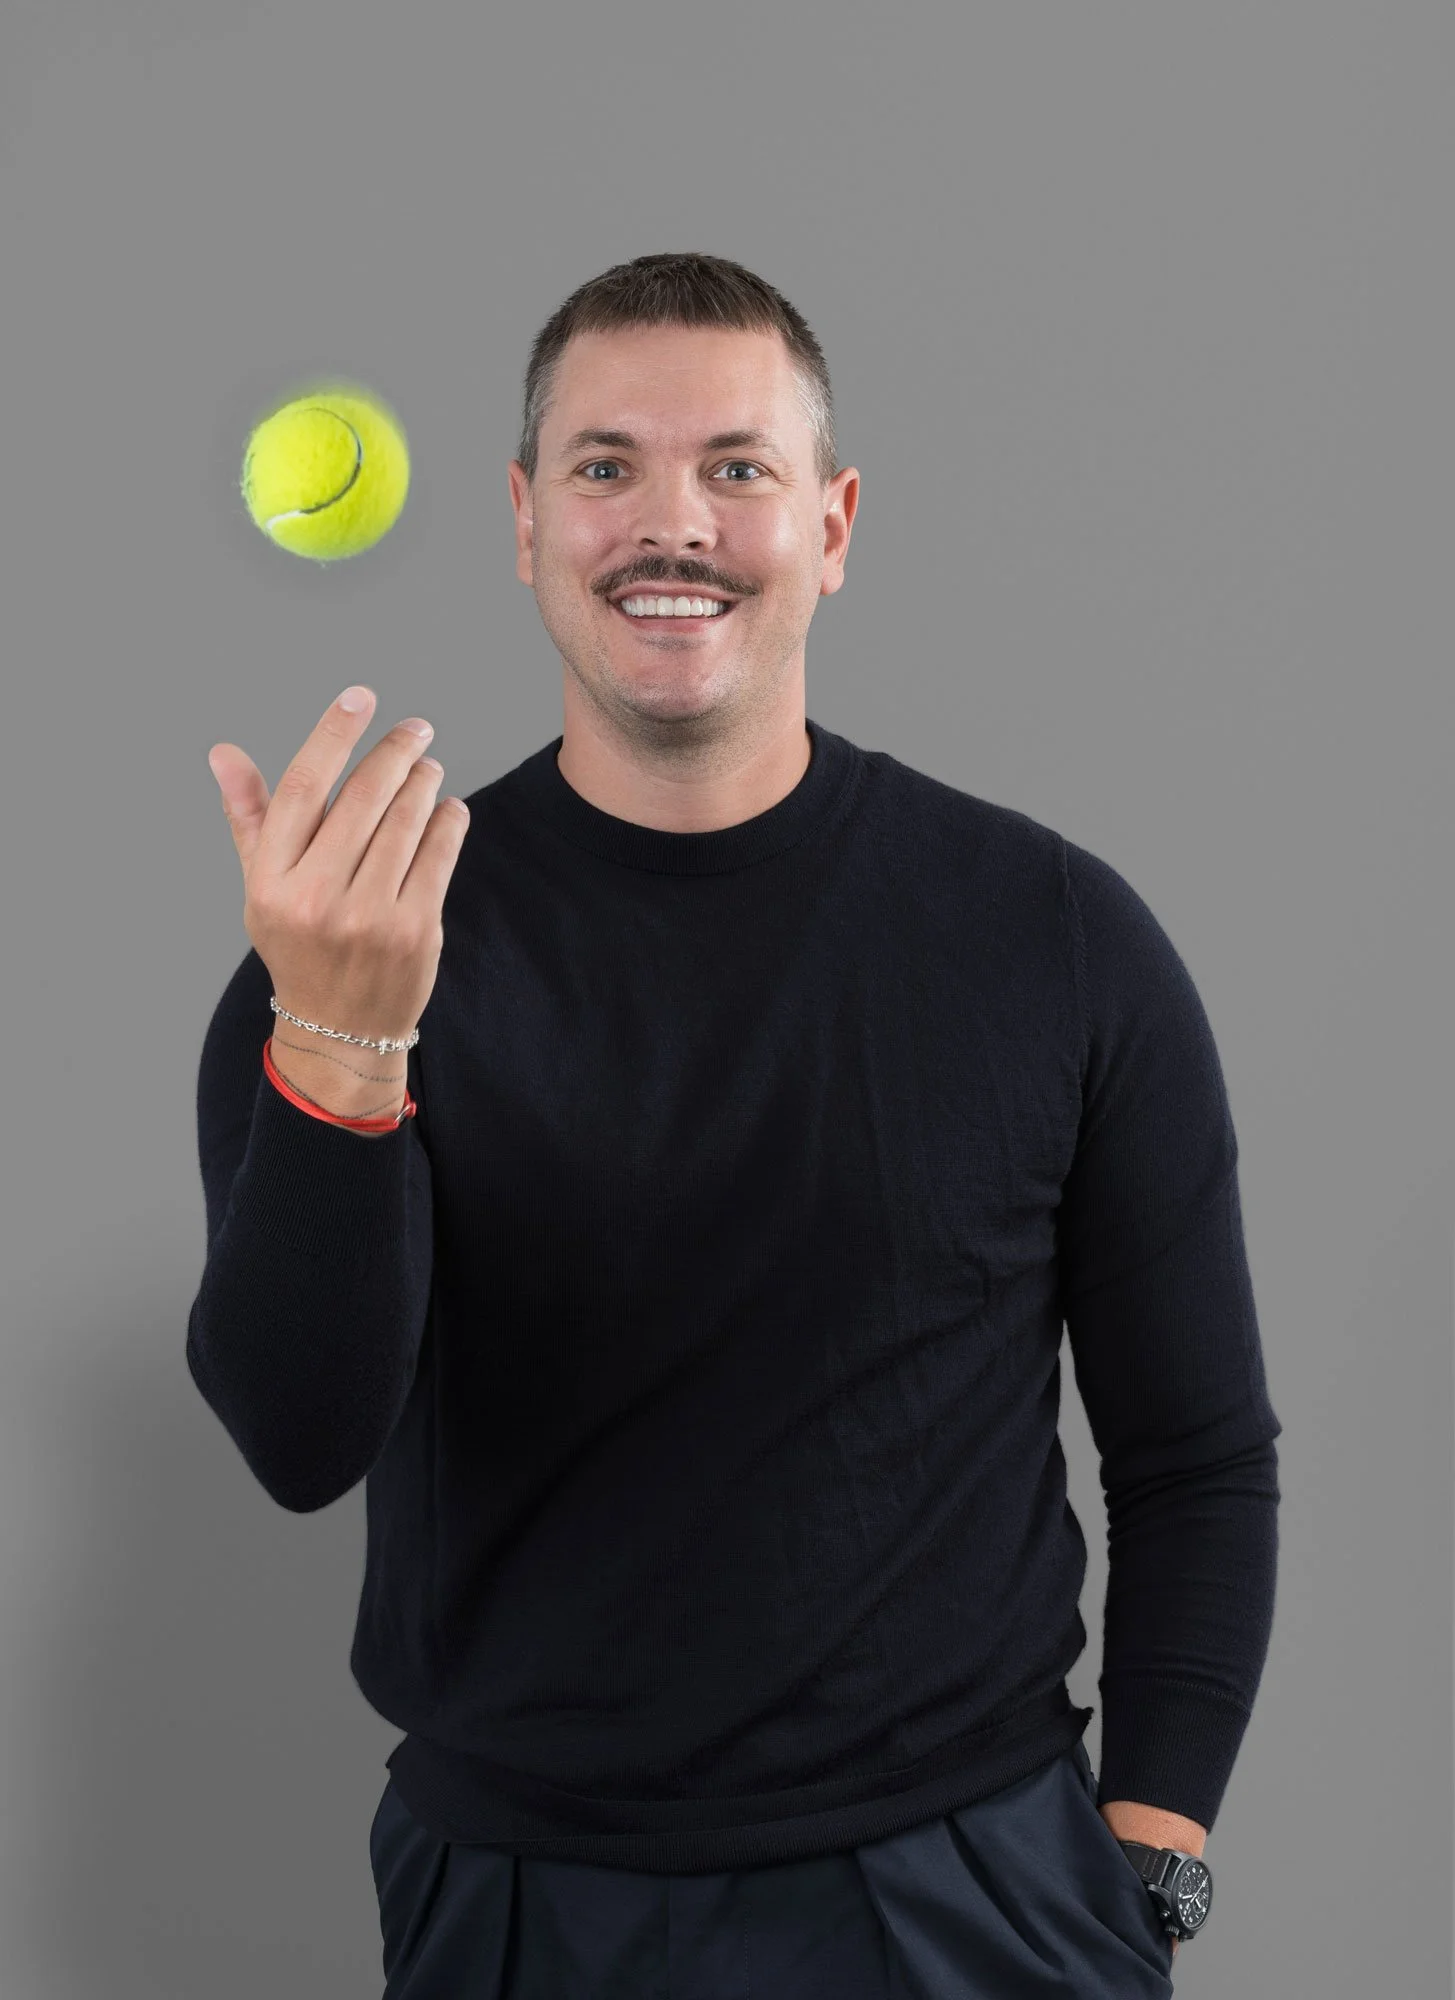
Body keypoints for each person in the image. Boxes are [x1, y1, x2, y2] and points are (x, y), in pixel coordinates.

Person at [190, 251, 1280, 1997]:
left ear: (832, 524)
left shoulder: (1053, 932)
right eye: (607, 468)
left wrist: (1142, 1872)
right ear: (526, 519)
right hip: (522, 1900)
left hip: (971, 1892)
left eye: (738, 470)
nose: (668, 525)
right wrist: (343, 1040)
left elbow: (1194, 1456)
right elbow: (298, 1439)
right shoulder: (358, 948)